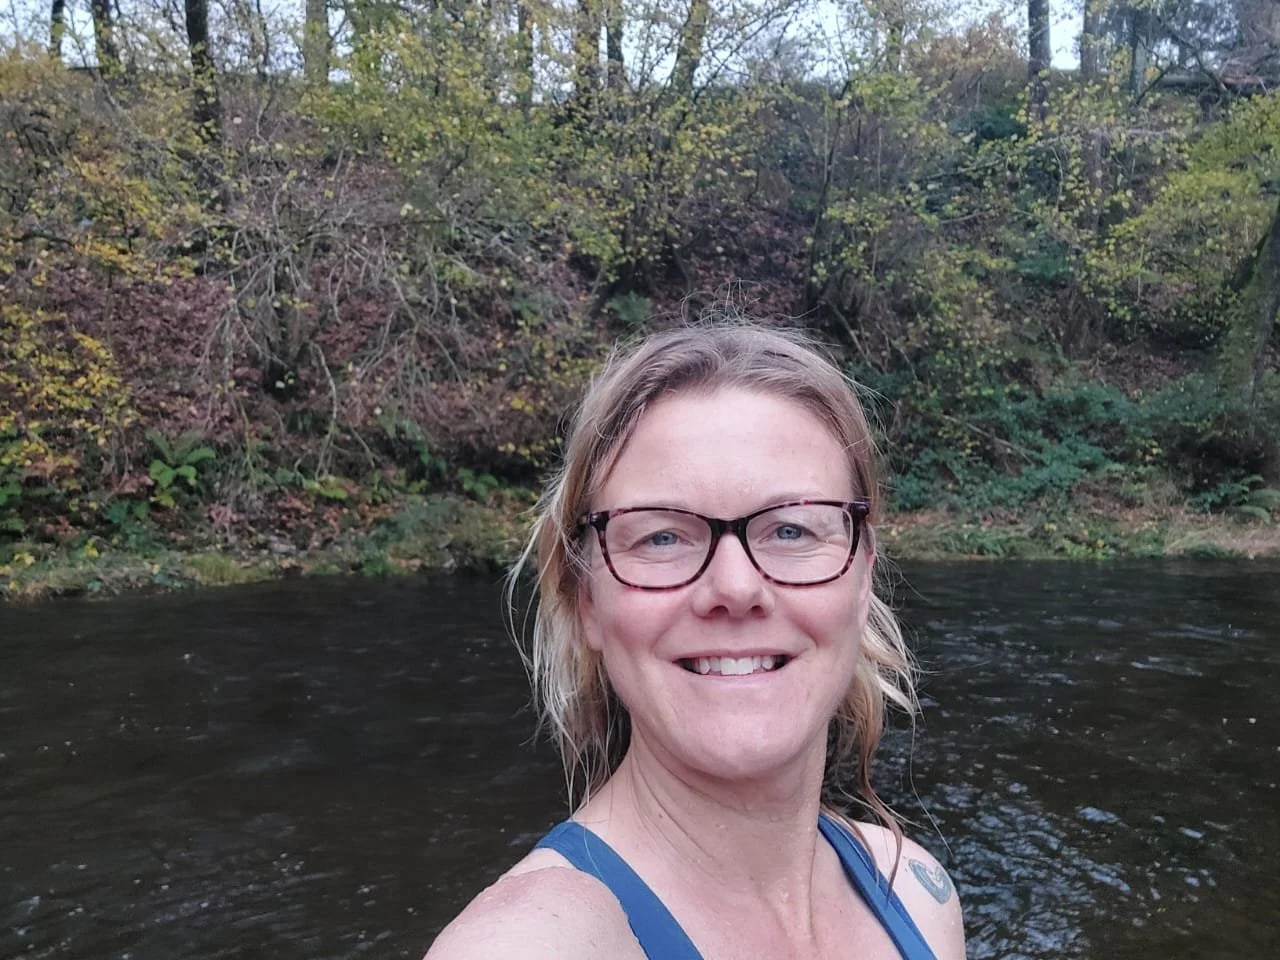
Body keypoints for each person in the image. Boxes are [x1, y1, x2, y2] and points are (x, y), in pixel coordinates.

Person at [427, 322, 965, 960]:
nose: (735, 587)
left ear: (861, 573)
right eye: (660, 537)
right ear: (585, 599)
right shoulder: (537, 942)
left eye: (791, 530)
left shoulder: (917, 895)